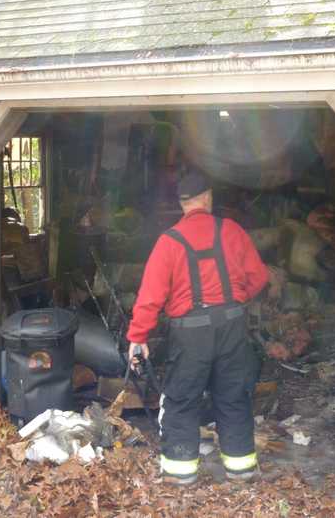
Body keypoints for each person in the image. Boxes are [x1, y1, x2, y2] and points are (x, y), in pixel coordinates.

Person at [127, 170, 269, 485]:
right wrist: (233, 300)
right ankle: (241, 468)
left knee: (182, 398)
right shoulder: (232, 232)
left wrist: (138, 337)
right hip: (232, 325)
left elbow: (150, 296)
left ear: (182, 204)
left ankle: (181, 473)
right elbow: (259, 277)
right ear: (208, 197)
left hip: (190, 333)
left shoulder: (169, 242)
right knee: (233, 395)